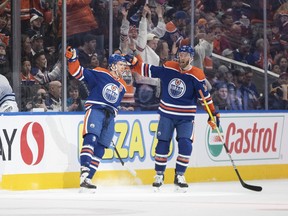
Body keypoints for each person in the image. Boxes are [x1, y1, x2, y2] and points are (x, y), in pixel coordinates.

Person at [125, 45, 220, 192]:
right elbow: (151, 71)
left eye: (184, 55)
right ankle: (159, 175)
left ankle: (180, 175)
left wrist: (212, 113)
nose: (181, 57)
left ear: (191, 57)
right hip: (167, 114)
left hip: (186, 117)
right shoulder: (169, 67)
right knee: (162, 144)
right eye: (180, 54)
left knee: (185, 144)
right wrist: (135, 64)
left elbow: (204, 96)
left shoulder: (197, 74)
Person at [65, 46, 128, 192]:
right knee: (91, 139)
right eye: (121, 65)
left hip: (110, 117)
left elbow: (115, 104)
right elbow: (77, 72)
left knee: (100, 149)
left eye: (124, 65)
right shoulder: (100, 72)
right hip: (96, 110)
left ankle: (88, 179)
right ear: (112, 65)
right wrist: (72, 59)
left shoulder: (123, 85)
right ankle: (84, 170)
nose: (124, 68)